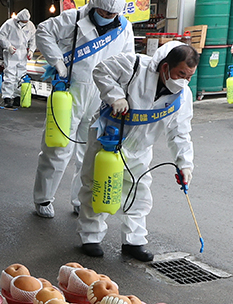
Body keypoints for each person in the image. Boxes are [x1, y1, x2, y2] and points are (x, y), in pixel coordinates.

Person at [77, 41, 198, 261]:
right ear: (165, 67)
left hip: (140, 147)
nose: (184, 81)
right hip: (108, 139)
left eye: (189, 76)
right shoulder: (134, 66)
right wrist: (115, 96)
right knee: (96, 185)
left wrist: (184, 163)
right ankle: (90, 236)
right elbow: (101, 70)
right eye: (181, 74)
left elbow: (180, 132)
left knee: (138, 191)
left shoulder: (182, 95)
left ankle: (134, 241)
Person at [33, 0, 135, 218]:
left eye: (112, 15)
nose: (107, 17)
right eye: (103, 12)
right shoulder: (74, 17)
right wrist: (57, 61)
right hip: (71, 91)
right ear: (94, 5)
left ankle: (80, 198)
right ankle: (43, 198)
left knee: (88, 151)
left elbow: (128, 60)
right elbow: (43, 31)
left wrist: (122, 93)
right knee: (58, 147)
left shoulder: (124, 28)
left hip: (101, 94)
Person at [0, 8, 36, 108]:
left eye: (26, 22)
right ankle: (7, 98)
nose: (24, 23)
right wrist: (8, 46)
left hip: (23, 54)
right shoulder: (9, 24)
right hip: (11, 53)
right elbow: (0, 37)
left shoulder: (30, 26)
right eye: (23, 22)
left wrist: (31, 50)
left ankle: (18, 97)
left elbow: (33, 39)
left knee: (21, 76)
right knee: (10, 75)